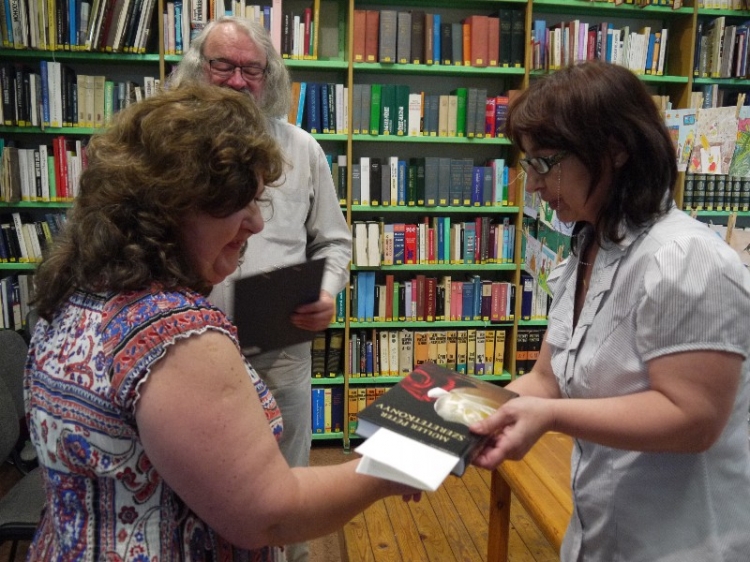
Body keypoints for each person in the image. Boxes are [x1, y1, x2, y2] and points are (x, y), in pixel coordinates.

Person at [24, 83, 418, 561]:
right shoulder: (172, 335)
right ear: (169, 207)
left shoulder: (74, 292)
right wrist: (389, 466)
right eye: (238, 204)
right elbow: (268, 514)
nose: (256, 223)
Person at [469, 61, 750, 561]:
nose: (532, 186)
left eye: (545, 163)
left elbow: (694, 419)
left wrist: (549, 417)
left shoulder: (686, 259)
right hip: (600, 528)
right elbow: (546, 380)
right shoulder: (589, 245)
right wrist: (460, 418)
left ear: (616, 149)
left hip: (679, 544)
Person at [169, 23, 351, 561]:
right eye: (223, 65)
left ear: (268, 77)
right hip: (187, 348)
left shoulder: (302, 148)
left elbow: (334, 241)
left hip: (280, 344)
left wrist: (327, 292)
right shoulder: (166, 145)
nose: (237, 80)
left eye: (251, 69)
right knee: (200, 479)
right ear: (196, 67)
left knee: (288, 477)